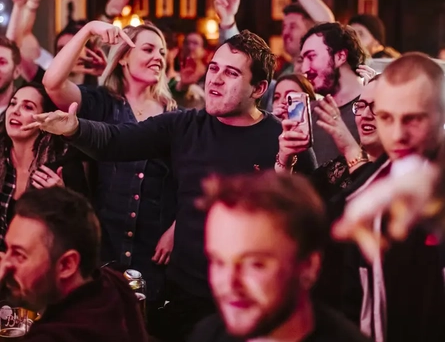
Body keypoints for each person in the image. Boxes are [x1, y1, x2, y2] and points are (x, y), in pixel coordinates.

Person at [27, 29, 316, 341]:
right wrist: (75, 127)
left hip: (253, 301)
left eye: (231, 73)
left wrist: (286, 162)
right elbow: (116, 141)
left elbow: (307, 221)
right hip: (185, 298)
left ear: (259, 88)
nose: (215, 79)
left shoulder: (282, 138)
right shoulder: (184, 125)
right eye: (214, 68)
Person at [42, 20, 177, 312]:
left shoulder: (174, 115)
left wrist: (176, 228)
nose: (159, 57)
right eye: (148, 48)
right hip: (106, 242)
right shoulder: (103, 102)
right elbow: (52, 82)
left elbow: (190, 179)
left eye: (163, 52)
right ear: (124, 57)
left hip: (154, 250)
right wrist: (89, 29)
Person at [329, 52, 445, 342]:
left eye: (412, 119)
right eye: (386, 117)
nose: (397, 134)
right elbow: (352, 303)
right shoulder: (363, 192)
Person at [189, 170, 370, 342]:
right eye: (218, 262)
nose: (229, 284)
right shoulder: (207, 335)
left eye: (255, 264)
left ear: (308, 266)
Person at [0, 186, 148, 342]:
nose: (5, 264)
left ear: (67, 265)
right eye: (7, 249)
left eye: (19, 255)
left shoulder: (57, 336)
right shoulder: (114, 284)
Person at [0, 82, 88, 250]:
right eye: (13, 103)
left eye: (28, 107)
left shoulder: (62, 164)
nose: (15, 110)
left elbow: (83, 230)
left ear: (46, 121)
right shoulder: (2, 155)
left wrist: (62, 198)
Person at [215, 0, 335, 78]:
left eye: (293, 26)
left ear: (312, 32)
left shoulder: (320, 74)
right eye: (284, 27)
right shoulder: (280, 77)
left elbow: (327, 22)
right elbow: (240, 61)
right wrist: (227, 20)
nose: (285, 32)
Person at [300, 22, 368, 166]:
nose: (304, 68)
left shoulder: (375, 110)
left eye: (311, 57)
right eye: (302, 60)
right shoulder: (309, 113)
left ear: (340, 56)